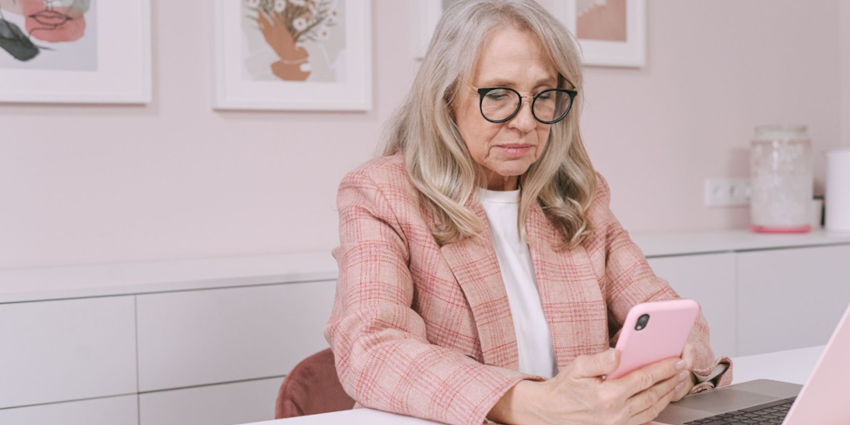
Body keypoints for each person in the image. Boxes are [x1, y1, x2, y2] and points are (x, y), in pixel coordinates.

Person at [324, 1, 732, 424]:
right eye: (498, 95)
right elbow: (371, 347)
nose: (525, 122)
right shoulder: (382, 193)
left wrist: (673, 373)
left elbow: (672, 316)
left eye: (543, 95)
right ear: (445, 97)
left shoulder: (579, 195)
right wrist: (533, 404)